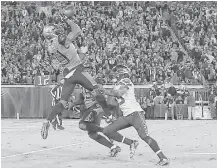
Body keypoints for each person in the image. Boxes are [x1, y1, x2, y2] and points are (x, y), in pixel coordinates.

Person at [41, 6, 108, 139]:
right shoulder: (60, 41)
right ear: (51, 33)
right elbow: (77, 30)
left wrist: (82, 54)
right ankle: (109, 115)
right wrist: (68, 20)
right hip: (77, 70)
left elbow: (71, 58)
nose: (58, 29)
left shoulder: (50, 45)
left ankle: (47, 120)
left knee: (63, 102)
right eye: (55, 29)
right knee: (96, 90)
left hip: (68, 73)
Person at [101, 65, 170, 166]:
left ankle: (163, 158)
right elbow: (115, 103)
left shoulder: (126, 80)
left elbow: (119, 93)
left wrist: (105, 91)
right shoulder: (117, 85)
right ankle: (131, 143)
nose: (115, 74)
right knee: (107, 130)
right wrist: (109, 113)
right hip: (127, 116)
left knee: (144, 136)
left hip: (136, 114)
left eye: (117, 72)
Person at [71, 77, 138, 157]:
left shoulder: (95, 87)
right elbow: (83, 100)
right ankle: (116, 146)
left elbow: (103, 101)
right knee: (92, 134)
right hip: (91, 109)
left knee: (82, 125)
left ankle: (108, 132)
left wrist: (103, 111)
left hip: (95, 108)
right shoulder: (83, 88)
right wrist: (74, 103)